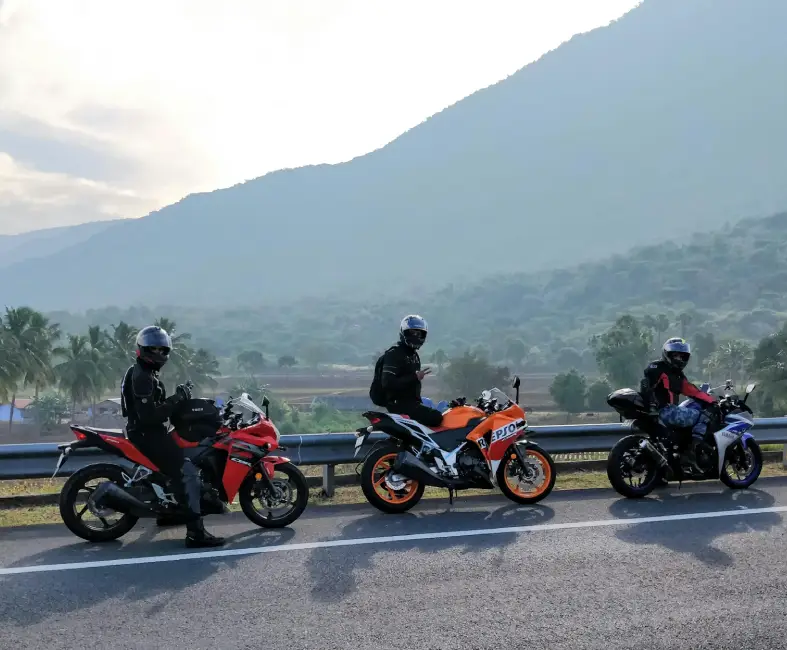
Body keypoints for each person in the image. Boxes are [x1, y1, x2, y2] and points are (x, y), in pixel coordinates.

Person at [121, 325, 225, 548]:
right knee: (187, 473)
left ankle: (169, 513)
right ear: (143, 349)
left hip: (148, 432)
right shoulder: (142, 377)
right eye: (154, 349)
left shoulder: (144, 372)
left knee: (173, 471)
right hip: (147, 434)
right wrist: (177, 399)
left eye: (163, 349)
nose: (159, 353)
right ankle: (196, 533)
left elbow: (156, 407)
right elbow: (149, 416)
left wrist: (177, 398)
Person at [640, 337, 718, 470]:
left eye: (682, 356)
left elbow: (690, 389)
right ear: (667, 354)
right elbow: (691, 390)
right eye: (675, 355)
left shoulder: (664, 370)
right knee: (704, 414)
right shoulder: (664, 370)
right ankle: (692, 449)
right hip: (665, 411)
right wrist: (712, 401)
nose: (679, 359)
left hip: (655, 412)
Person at [380, 315, 443, 428]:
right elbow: (387, 383)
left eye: (419, 333)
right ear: (404, 333)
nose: (416, 336)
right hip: (399, 404)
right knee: (436, 417)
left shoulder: (413, 355)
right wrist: (414, 377)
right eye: (412, 332)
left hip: (412, 403)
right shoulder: (394, 353)